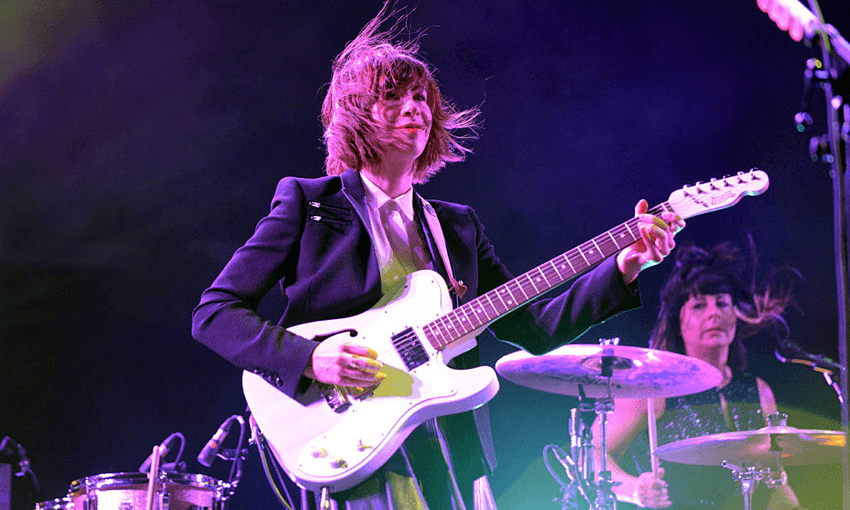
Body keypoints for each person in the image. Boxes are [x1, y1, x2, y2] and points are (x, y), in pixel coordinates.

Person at [191, 4, 682, 509]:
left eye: (421, 97)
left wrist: (626, 264)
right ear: (356, 114)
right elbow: (214, 313)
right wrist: (311, 358)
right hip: (348, 442)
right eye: (392, 97)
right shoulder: (310, 203)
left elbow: (536, 327)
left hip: (449, 449)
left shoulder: (456, 226)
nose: (415, 108)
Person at [592, 241, 802, 509]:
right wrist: (635, 489)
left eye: (722, 303)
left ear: (736, 316)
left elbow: (774, 483)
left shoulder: (758, 390)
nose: (714, 313)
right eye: (699, 305)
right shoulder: (655, 391)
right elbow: (590, 454)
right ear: (679, 321)